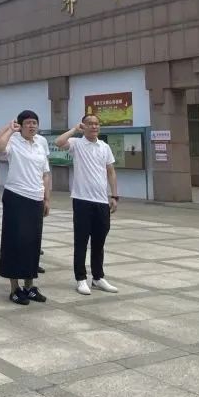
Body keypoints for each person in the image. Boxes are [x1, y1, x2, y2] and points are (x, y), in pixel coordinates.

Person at [56, 115, 119, 295]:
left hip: (101, 201)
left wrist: (114, 195)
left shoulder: (104, 147)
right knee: (81, 241)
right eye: (90, 124)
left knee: (99, 241)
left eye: (96, 124)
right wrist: (74, 130)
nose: (94, 126)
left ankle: (98, 278)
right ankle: (81, 278)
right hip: (82, 200)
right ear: (84, 126)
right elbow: (59, 142)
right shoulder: (77, 144)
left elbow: (111, 172)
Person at [0, 111, 50, 305]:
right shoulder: (13, 140)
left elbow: (45, 173)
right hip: (16, 197)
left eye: (35, 122)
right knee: (14, 242)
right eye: (28, 123)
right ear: (21, 125)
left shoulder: (40, 143)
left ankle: (29, 286)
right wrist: (11, 129)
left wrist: (46, 199)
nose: (32, 126)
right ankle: (14, 288)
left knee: (33, 244)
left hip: (36, 198)